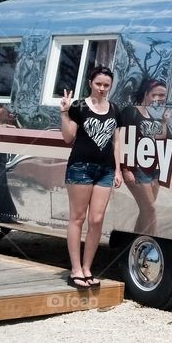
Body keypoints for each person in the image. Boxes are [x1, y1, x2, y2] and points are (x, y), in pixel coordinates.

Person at [60, 65, 124, 289]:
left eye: (106, 85)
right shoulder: (78, 106)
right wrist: (65, 112)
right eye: (98, 84)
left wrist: (118, 169)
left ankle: (88, 268)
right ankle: (75, 269)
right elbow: (68, 138)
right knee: (77, 217)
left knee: (96, 220)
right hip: (80, 167)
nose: (102, 89)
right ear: (90, 83)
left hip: (105, 169)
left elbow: (116, 142)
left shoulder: (115, 109)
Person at [120, 78, 169, 235]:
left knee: (145, 210)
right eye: (157, 95)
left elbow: (160, 137)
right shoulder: (131, 111)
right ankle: (151, 244)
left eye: (163, 96)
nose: (160, 99)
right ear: (146, 93)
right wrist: (125, 168)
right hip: (138, 168)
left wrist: (164, 121)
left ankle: (134, 244)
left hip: (153, 168)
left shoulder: (151, 114)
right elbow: (121, 140)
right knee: (151, 209)